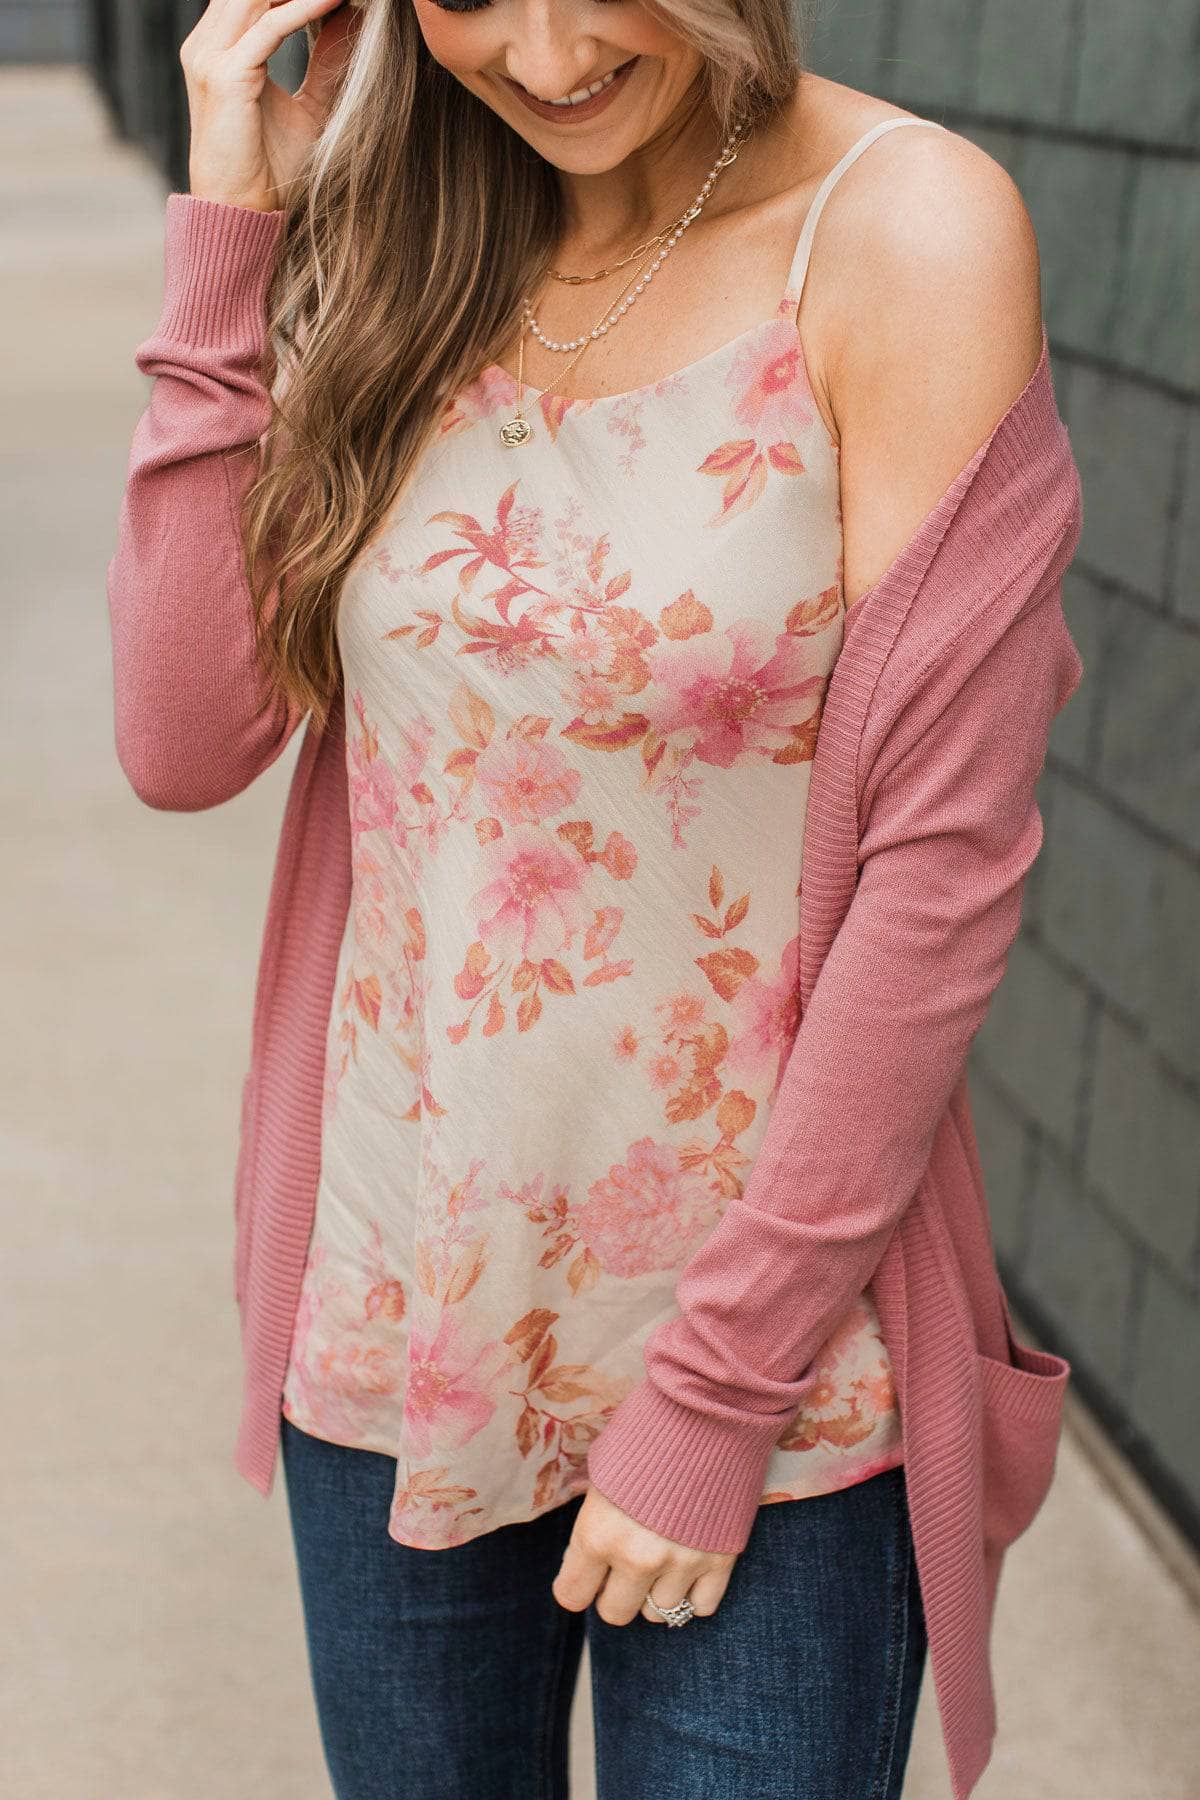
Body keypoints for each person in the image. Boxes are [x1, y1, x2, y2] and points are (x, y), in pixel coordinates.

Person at [107, 2, 1083, 1796]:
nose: (549, 53)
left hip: (774, 1374)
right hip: (399, 1310)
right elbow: (183, 739)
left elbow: (940, 882)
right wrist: (233, 222)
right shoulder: (393, 227)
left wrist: (714, 1397)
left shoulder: (905, 231)